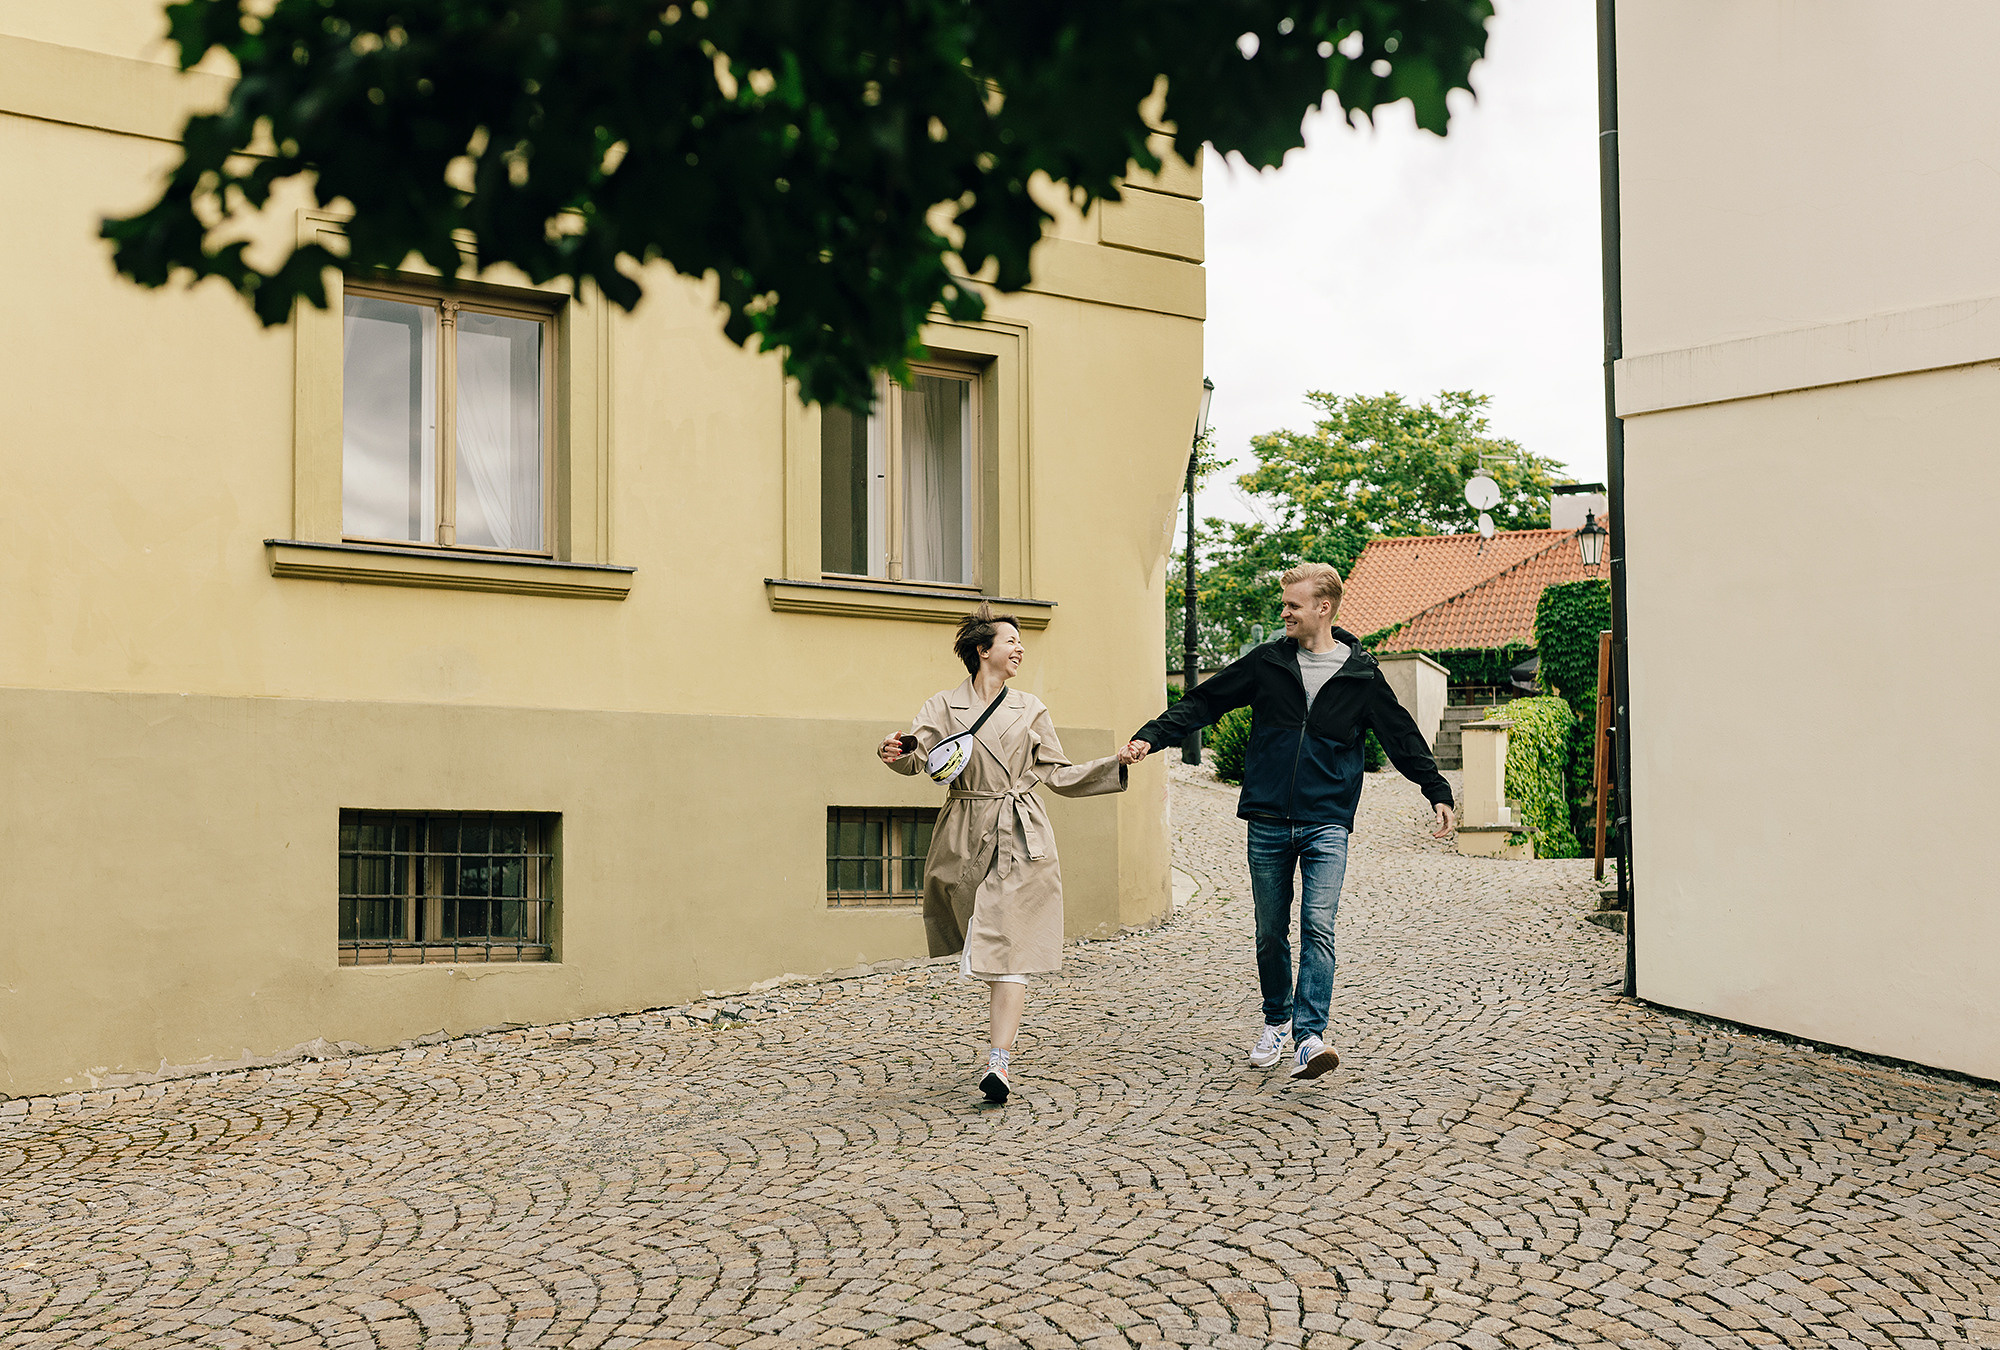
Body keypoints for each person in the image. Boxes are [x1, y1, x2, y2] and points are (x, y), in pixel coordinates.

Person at [1123, 562, 1455, 1081]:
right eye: (1285, 606)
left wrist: (1435, 789)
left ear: (1323, 608)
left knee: (1318, 925)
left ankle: (1309, 1036)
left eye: (1293, 606)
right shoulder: (1267, 663)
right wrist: (1152, 735)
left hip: (1327, 819)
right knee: (1269, 930)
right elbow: (1206, 700)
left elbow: (1401, 734)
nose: (1284, 614)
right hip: (1269, 818)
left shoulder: (1362, 674)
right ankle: (1276, 1020)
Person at [880, 603, 1142, 1104]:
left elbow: (1058, 774)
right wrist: (891, 750)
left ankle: (999, 1061)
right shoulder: (942, 705)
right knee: (987, 942)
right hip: (964, 830)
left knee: (1010, 949)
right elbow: (917, 758)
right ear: (983, 651)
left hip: (1021, 835)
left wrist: (1115, 762)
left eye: (1021, 642)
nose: (1019, 648)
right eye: (1010, 641)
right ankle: (997, 1046)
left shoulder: (1031, 708)